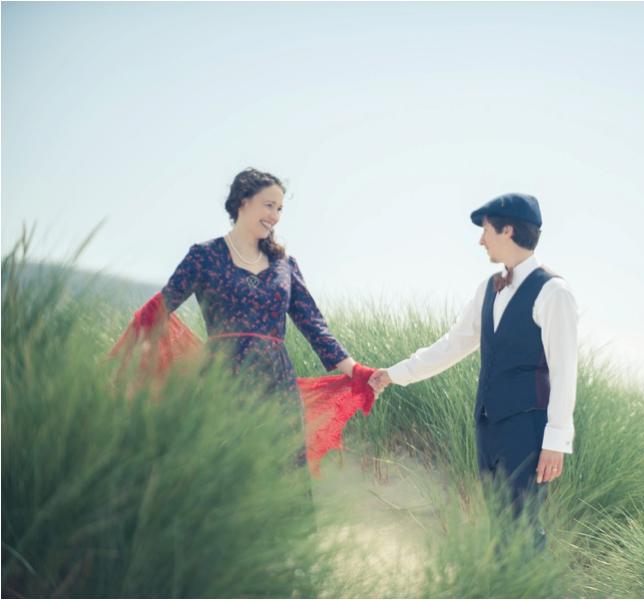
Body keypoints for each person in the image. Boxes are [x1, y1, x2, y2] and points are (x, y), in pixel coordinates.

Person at [369, 193, 579, 548]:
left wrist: (556, 440)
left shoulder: (553, 291)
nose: (481, 240)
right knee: (498, 525)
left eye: (486, 231)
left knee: (522, 527)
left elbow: (564, 371)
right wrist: (394, 373)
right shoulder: (488, 288)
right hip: (488, 426)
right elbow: (452, 345)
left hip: (528, 429)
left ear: (507, 230)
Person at [159, 167, 360, 467]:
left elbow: (314, 326)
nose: (275, 216)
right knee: (224, 467)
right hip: (222, 377)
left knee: (282, 470)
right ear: (243, 202)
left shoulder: (285, 265)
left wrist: (356, 371)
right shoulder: (204, 256)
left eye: (280, 209)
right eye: (269, 205)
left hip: (276, 381)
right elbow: (160, 309)